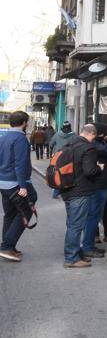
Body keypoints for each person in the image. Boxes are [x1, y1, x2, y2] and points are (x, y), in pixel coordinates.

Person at [61, 124, 104, 269]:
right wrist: (99, 168)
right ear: (92, 134)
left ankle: (75, 253)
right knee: (76, 226)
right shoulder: (89, 148)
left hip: (67, 189)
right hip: (80, 191)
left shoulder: (70, 143)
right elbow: (89, 171)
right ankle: (71, 258)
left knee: (71, 224)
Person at [0, 111, 36, 262]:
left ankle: (9, 246)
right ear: (24, 123)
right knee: (26, 209)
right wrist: (23, 186)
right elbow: (20, 164)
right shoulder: (20, 139)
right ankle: (7, 246)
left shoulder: (3, 137)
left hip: (3, 183)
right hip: (15, 182)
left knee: (10, 214)